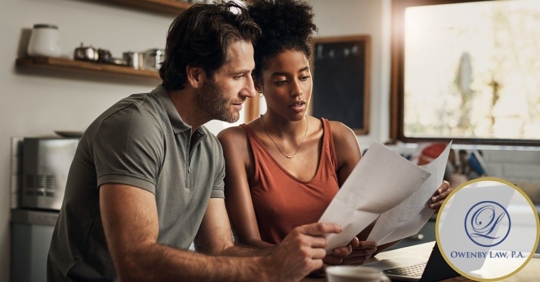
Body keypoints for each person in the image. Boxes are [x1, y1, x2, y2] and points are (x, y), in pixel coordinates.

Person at [46, 3, 348, 282]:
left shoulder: (208, 147)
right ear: (195, 75)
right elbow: (134, 262)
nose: (250, 90)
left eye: (251, 75)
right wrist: (268, 268)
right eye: (238, 76)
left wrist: (305, 254)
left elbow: (221, 250)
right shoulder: (134, 126)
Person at [217, 0, 453, 268]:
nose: (297, 91)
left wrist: (422, 206)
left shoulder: (339, 138)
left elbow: (366, 238)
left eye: (304, 77)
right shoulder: (235, 144)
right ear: (257, 83)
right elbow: (247, 244)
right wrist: (317, 258)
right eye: (281, 81)